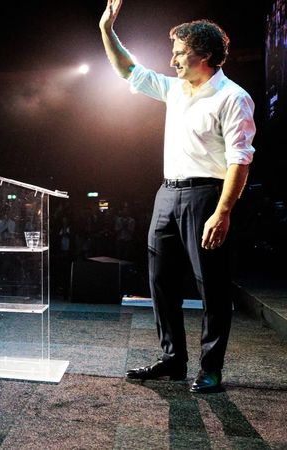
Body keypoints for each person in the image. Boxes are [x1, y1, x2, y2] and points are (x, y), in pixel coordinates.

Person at [100, 0, 256, 393]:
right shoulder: (174, 89)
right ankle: (173, 360)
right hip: (167, 195)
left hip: (207, 195)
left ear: (204, 55)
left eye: (180, 53)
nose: (172, 61)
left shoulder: (233, 97)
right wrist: (107, 29)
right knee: (160, 281)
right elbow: (127, 70)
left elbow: (240, 161)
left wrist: (222, 213)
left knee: (212, 286)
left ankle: (210, 368)